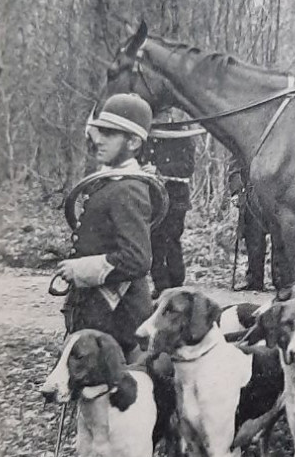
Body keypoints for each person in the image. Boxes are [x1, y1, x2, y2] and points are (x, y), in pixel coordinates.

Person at [57, 93, 155, 360]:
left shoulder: (128, 189)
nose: (97, 139)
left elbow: (137, 259)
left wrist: (80, 269)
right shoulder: (112, 181)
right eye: (99, 131)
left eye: (109, 134)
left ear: (134, 142)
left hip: (120, 321)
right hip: (101, 314)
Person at [143, 114, 197, 298]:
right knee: (154, 241)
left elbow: (187, 167)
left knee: (172, 239)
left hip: (176, 197)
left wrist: (160, 171)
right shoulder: (149, 135)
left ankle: (176, 284)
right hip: (153, 197)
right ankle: (160, 286)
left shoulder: (182, 136)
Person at [228, 157, 279, 291]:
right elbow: (235, 167)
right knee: (254, 239)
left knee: (280, 238)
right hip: (252, 194)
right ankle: (254, 281)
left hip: (278, 195)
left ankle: (281, 282)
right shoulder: (246, 138)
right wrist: (236, 191)